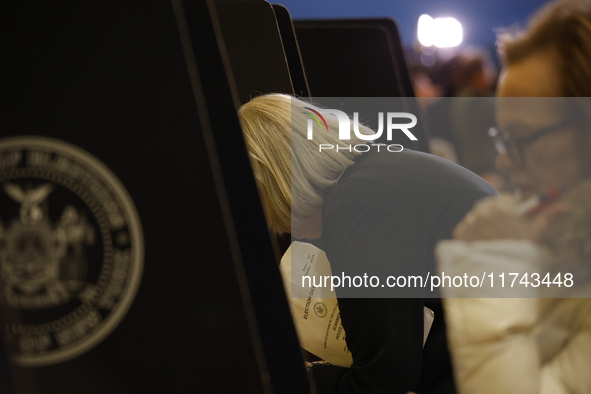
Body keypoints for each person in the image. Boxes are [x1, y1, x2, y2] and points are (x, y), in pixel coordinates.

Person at [238, 93, 497, 393]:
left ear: (277, 180)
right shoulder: (377, 174)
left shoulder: (357, 207)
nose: (278, 226)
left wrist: (303, 376)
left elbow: (383, 380)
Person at [436, 0, 591, 392]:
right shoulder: (562, 238)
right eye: (504, 139)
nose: (505, 160)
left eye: (522, 138)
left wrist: (491, 275)